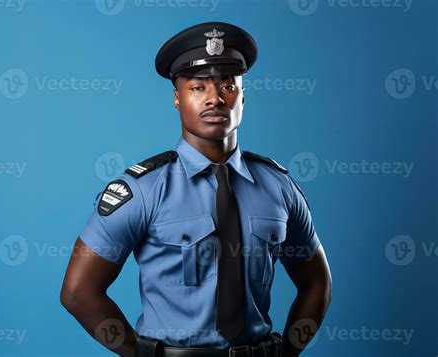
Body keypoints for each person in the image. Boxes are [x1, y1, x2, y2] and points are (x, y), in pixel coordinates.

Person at [60, 21, 332, 357]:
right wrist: (139, 353)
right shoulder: (143, 189)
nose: (215, 99)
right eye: (198, 87)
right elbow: (78, 291)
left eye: (228, 86)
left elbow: (317, 283)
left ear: (243, 97)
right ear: (177, 98)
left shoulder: (278, 188)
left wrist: (289, 351)